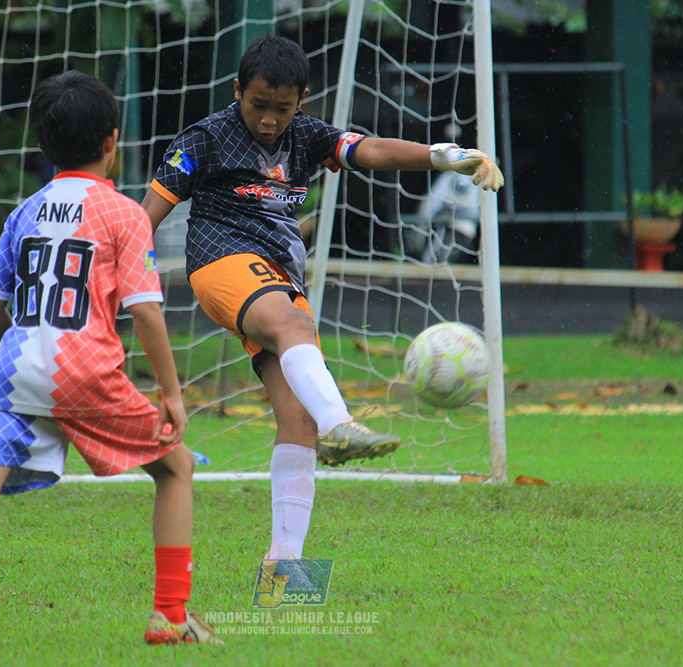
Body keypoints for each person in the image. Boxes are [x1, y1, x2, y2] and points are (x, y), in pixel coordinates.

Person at [0, 71, 217, 646]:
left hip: (13, 372)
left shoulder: (24, 213)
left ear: (42, 145)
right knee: (175, 467)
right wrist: (172, 392)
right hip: (85, 370)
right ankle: (170, 615)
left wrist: (26, 343)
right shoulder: (123, 214)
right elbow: (148, 311)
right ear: (112, 141)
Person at [140, 35, 503, 563]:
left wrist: (443, 157)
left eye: (281, 109)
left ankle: (284, 572)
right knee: (295, 331)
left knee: (297, 418)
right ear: (237, 90)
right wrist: (124, 277)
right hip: (220, 261)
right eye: (258, 105)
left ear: (301, 101)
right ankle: (342, 425)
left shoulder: (305, 135)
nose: (268, 120)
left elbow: (368, 149)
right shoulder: (205, 138)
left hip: (279, 274)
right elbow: (144, 217)